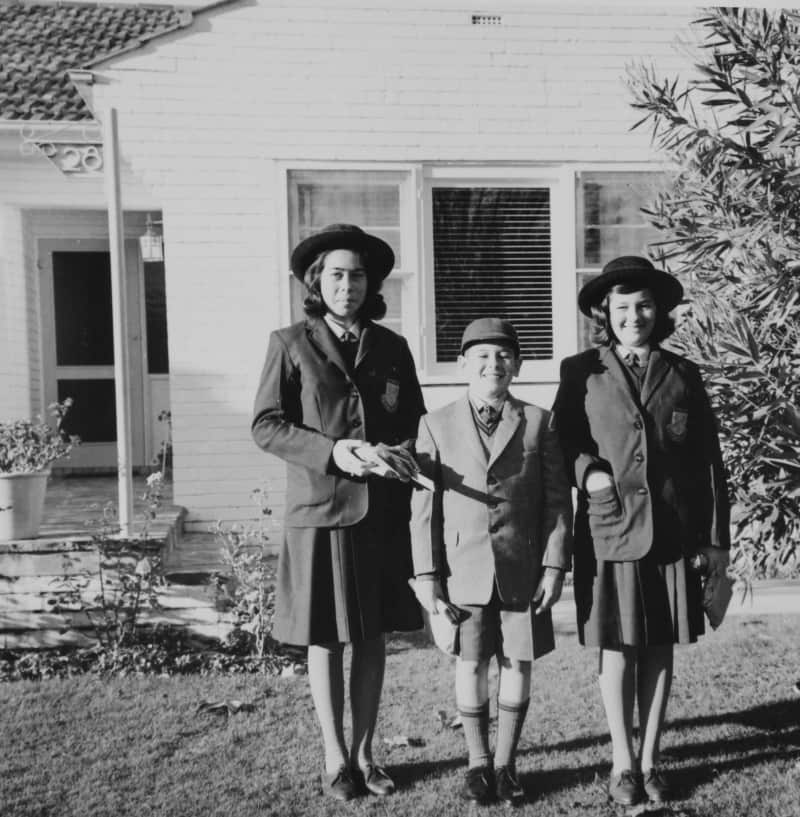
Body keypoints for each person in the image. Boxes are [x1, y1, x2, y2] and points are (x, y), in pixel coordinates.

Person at [251, 223, 425, 801]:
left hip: (380, 514)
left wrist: (395, 454)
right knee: (325, 637)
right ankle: (334, 756)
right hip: (320, 512)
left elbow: (414, 424)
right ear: (316, 281)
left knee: (372, 637)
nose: (347, 286)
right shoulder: (289, 343)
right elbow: (267, 425)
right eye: (336, 275)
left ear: (371, 284)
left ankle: (366, 754)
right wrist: (333, 452)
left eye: (357, 276)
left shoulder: (393, 347)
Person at [552, 256, 731, 806]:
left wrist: (715, 541)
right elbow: (563, 443)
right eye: (623, 307)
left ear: (660, 311)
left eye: (645, 306)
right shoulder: (580, 370)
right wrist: (589, 471)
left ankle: (651, 760)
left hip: (673, 533)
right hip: (610, 528)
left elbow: (708, 461)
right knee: (618, 647)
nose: (634, 316)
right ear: (605, 313)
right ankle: (623, 762)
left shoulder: (683, 374)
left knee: (658, 646)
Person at [410, 317, 573, 806]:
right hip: (464, 568)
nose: (493, 364)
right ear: (463, 364)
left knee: (518, 661)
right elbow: (424, 510)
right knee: (471, 662)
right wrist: (427, 576)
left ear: (517, 365)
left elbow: (557, 502)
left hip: (523, 567)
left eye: (503, 356)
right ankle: (478, 763)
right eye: (481, 356)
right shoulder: (435, 424)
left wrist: (554, 567)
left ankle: (506, 764)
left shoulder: (539, 422)